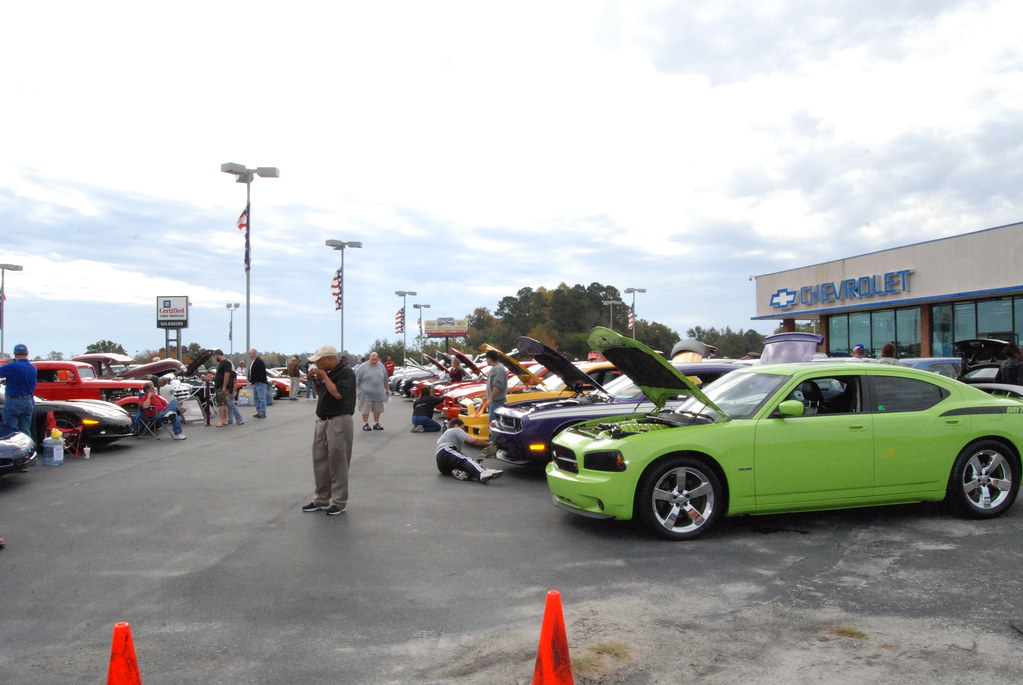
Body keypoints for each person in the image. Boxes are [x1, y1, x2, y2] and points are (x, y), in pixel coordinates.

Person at [302, 345, 356, 516]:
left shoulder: (345, 373)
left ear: (329, 358)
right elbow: (322, 394)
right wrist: (316, 380)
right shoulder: (328, 374)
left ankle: (339, 501)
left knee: (338, 461)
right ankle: (321, 499)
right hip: (323, 420)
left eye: (319, 360)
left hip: (339, 420)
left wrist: (324, 376)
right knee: (320, 460)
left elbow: (338, 394)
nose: (317, 364)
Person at [435, 417, 502, 482]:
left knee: (462, 464)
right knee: (466, 459)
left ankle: (459, 472)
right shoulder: (455, 430)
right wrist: (489, 444)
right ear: (456, 425)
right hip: (446, 451)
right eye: (462, 427)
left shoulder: (445, 436)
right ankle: (482, 472)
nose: (463, 430)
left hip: (441, 464)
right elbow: (472, 440)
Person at [0, 343, 36, 438]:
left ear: (15, 354)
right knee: (25, 430)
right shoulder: (33, 368)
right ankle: (27, 450)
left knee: (11, 432)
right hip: (28, 401)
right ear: (27, 353)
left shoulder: (12, 366)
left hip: (13, 401)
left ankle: (13, 452)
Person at [355, 350, 390, 431]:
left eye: (376, 356)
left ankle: (376, 423)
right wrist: (357, 390)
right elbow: (357, 380)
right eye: (373, 356)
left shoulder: (381, 366)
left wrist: (387, 389)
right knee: (365, 409)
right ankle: (365, 423)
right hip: (365, 394)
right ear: (369, 357)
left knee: (378, 409)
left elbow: (385, 379)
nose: (375, 358)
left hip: (378, 393)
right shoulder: (362, 367)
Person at [481, 349, 508, 415]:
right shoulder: (494, 368)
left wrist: (490, 399)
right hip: (493, 402)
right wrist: (486, 396)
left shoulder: (499, 369)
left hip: (497, 402)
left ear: (490, 358)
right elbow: (492, 386)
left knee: (493, 423)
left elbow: (498, 386)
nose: (486, 361)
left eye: (486, 359)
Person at [212, 349, 233, 427]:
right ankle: (225, 420)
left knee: (222, 404)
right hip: (220, 386)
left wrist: (224, 386)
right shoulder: (221, 363)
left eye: (215, 356)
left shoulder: (226, 363)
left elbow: (227, 374)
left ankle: (221, 420)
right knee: (224, 403)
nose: (215, 357)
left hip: (222, 387)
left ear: (218, 354)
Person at [247, 348, 269, 419]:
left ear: (254, 353)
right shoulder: (252, 361)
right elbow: (251, 371)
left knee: (261, 398)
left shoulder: (259, 361)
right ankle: (259, 411)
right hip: (255, 383)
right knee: (256, 398)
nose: (249, 355)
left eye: (250, 353)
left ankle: (262, 412)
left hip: (260, 383)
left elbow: (260, 372)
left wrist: (257, 380)